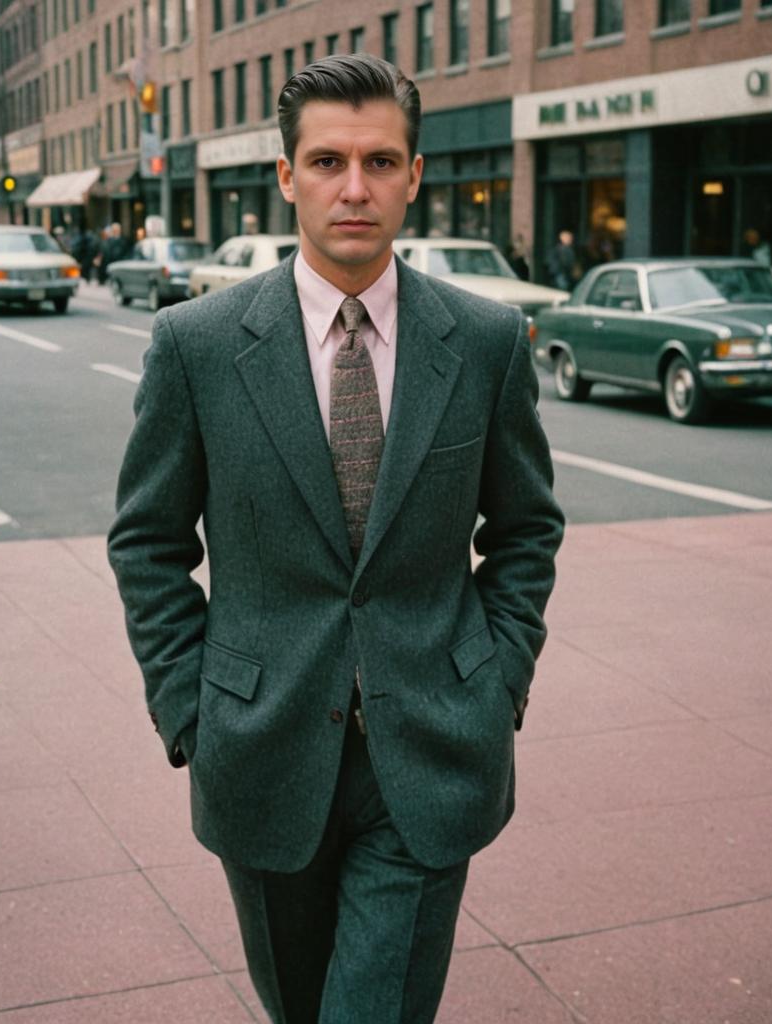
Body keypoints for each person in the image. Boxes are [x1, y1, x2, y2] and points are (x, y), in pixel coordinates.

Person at [108, 53, 563, 1024]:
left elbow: (525, 530)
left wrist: (497, 680)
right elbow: (147, 542)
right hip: (261, 751)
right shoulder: (196, 343)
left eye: (378, 161)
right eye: (325, 161)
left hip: (431, 755)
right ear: (285, 176)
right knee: (300, 1007)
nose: (353, 188)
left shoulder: (484, 340)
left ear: (412, 174)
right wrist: (190, 709)